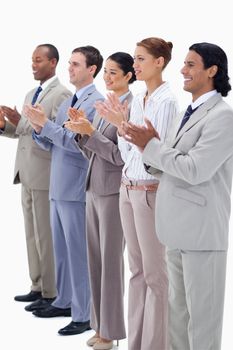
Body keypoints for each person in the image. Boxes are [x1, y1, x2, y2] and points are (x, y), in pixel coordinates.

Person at [121, 42, 233, 350]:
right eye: (183, 63)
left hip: (201, 234)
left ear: (212, 71)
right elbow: (167, 164)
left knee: (203, 322)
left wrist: (153, 148)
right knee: (177, 317)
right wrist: (148, 148)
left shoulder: (222, 116)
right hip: (174, 230)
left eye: (191, 65)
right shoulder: (188, 111)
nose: (182, 70)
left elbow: (196, 169)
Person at [95, 37, 179, 350]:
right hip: (126, 189)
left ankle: (156, 345)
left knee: (156, 276)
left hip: (150, 191)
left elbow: (158, 154)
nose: (136, 65)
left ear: (159, 62)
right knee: (137, 272)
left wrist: (124, 127)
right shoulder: (141, 98)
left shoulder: (167, 101)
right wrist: (121, 127)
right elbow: (128, 150)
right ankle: (136, 343)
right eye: (135, 58)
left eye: (141, 59)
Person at [24, 45, 104, 336]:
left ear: (91, 69)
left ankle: (84, 314)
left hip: (75, 187)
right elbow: (54, 142)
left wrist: (47, 125)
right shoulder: (71, 99)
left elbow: (78, 144)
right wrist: (37, 127)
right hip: (58, 186)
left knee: (78, 254)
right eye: (69, 63)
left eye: (76, 64)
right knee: (61, 251)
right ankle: (64, 301)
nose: (70, 69)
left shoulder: (95, 102)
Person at [65, 52, 136, 350]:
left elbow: (122, 157)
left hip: (112, 193)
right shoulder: (103, 106)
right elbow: (94, 151)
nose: (107, 78)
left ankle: (112, 332)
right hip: (92, 189)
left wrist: (92, 133)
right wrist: (83, 134)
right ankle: (98, 326)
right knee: (94, 260)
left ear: (129, 76)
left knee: (110, 263)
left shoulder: (132, 108)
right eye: (105, 72)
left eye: (114, 73)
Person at [0, 44, 72, 305]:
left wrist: (21, 120)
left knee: (46, 234)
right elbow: (24, 131)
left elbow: (54, 131)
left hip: (45, 172)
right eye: (32, 60)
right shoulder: (32, 92)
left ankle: (52, 292)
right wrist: (5, 125)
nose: (33, 64)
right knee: (31, 234)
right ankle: (37, 285)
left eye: (38, 60)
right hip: (26, 171)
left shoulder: (62, 94)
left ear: (52, 63)